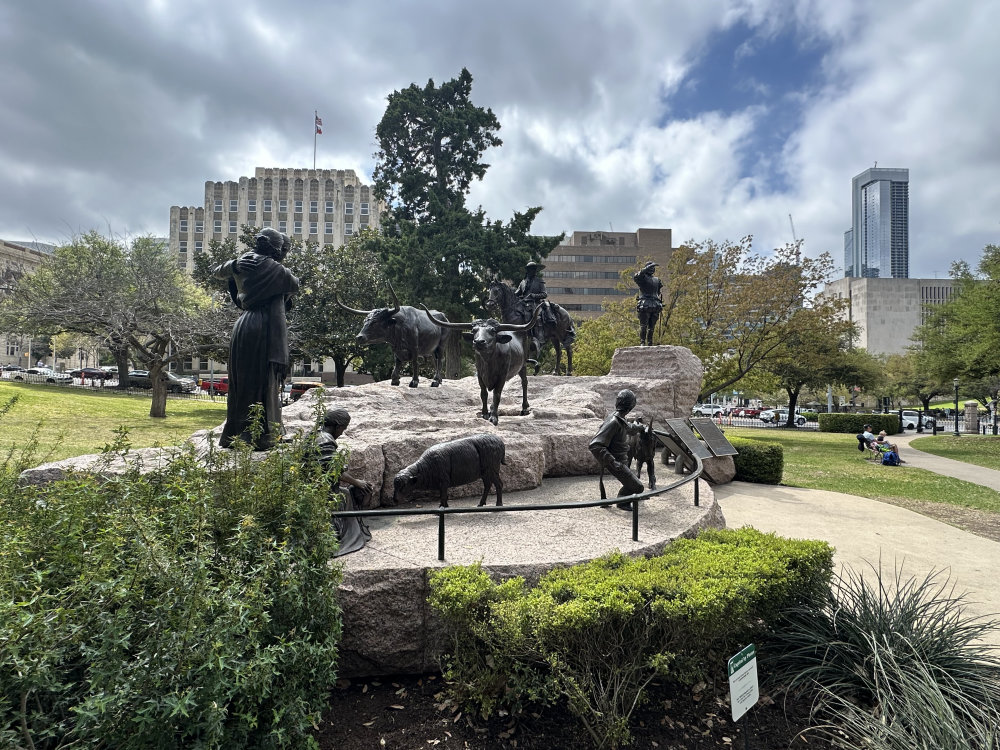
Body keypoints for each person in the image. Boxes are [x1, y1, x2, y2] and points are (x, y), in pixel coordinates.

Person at [213, 228, 299, 450]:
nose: (283, 254)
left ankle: (243, 433)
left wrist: (232, 265)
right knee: (262, 381)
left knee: (246, 382)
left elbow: (218, 271)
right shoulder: (273, 267)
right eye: (283, 250)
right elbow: (294, 284)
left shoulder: (242, 263)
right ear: (274, 247)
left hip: (245, 324)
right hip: (263, 326)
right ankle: (259, 436)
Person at [315, 408, 373, 556]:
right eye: (343, 429)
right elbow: (332, 469)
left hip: (318, 487)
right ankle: (340, 537)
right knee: (347, 494)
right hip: (321, 491)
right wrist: (357, 483)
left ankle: (354, 532)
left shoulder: (314, 435)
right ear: (336, 426)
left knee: (346, 493)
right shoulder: (325, 440)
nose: (342, 433)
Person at [589, 389, 645, 509]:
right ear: (630, 406)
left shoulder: (620, 418)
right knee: (638, 487)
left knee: (632, 484)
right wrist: (612, 462)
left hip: (622, 460)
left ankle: (623, 499)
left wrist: (639, 427)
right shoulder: (614, 422)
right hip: (616, 462)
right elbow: (595, 445)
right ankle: (622, 501)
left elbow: (628, 427)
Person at [633, 261, 663, 346]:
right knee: (643, 325)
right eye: (650, 267)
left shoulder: (657, 280)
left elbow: (658, 292)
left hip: (655, 304)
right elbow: (637, 276)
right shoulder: (642, 278)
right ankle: (642, 342)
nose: (652, 269)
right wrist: (645, 269)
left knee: (652, 327)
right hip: (645, 304)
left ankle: (650, 342)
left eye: (653, 268)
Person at [516, 261, 554, 327]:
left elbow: (544, 294)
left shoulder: (539, 281)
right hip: (523, 304)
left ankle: (538, 333)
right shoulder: (523, 282)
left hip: (535, 303)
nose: (532, 271)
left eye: (534, 269)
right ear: (527, 270)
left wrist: (534, 295)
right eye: (530, 269)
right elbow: (516, 293)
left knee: (536, 317)